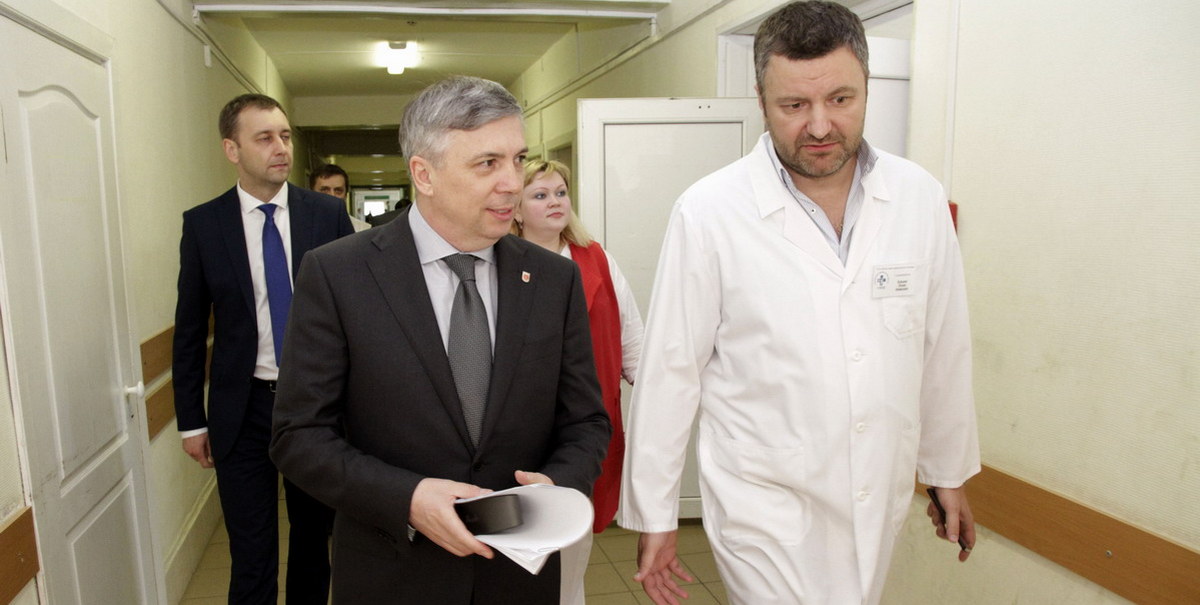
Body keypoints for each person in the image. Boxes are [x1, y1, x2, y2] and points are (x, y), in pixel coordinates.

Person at [619, 2, 981, 604]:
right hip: (763, 502)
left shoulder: (917, 197)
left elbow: (942, 345)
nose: (819, 126)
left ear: (866, 87)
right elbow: (671, 369)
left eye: (840, 99)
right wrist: (655, 513)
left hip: (875, 490)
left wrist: (946, 473)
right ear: (761, 100)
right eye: (794, 105)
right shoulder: (710, 211)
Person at [269, 75, 612, 605]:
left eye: (518, 159)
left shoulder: (552, 279)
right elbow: (299, 435)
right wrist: (406, 498)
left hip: (518, 578)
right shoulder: (338, 275)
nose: (512, 182)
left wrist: (554, 488)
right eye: (487, 163)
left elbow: (586, 421)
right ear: (423, 174)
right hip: (393, 574)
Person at [173, 93, 353, 605]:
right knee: (251, 553)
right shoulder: (205, 225)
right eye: (265, 138)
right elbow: (189, 328)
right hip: (243, 408)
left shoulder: (325, 215)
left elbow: (357, 313)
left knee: (313, 543)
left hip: (315, 406)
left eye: (286, 136)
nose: (281, 148)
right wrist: (191, 421)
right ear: (232, 149)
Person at [513, 159, 644, 604]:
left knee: (573, 547)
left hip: (585, 428)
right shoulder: (501, 264)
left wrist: (659, 400)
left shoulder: (596, 259)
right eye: (540, 195)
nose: (555, 202)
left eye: (560, 192)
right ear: (515, 210)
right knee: (523, 551)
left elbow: (632, 341)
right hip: (524, 430)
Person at [309, 163, 371, 232]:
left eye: (338, 191)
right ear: (311, 194)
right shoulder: (301, 228)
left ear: (345, 195)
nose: (332, 195)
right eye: (324, 190)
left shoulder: (363, 230)